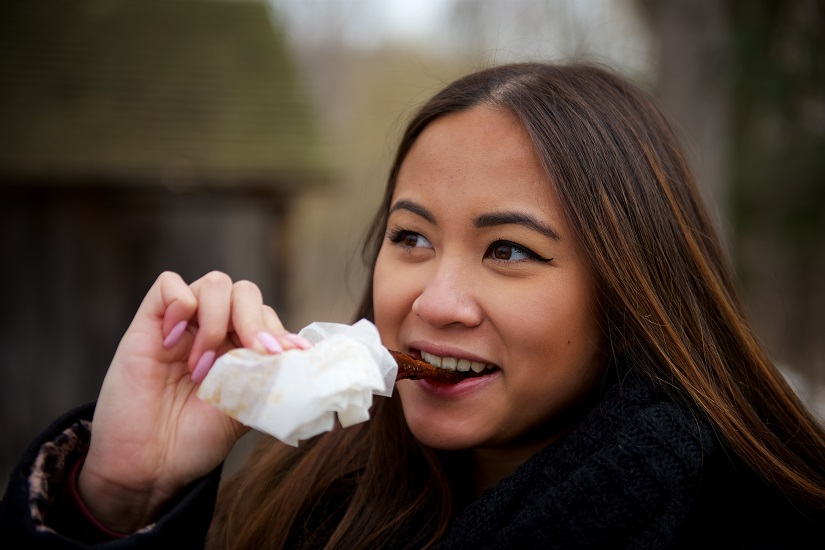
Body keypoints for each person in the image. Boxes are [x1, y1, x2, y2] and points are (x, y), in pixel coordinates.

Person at [2, 61, 824, 549]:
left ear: (633, 290)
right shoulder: (293, 507)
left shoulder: (755, 520)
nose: (434, 301)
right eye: (411, 238)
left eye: (508, 250)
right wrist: (117, 503)